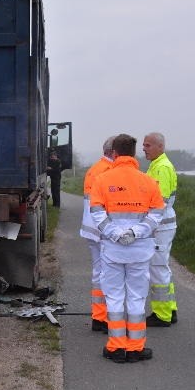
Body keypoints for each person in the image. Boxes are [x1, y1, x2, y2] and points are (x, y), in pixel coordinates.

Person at [90, 134, 164, 363]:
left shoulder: (102, 180)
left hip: (113, 249)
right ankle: (136, 347)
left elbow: (96, 213)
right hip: (140, 250)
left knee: (113, 297)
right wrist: (136, 233)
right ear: (133, 154)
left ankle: (116, 347)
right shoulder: (149, 181)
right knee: (136, 297)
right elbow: (157, 214)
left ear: (114, 153)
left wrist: (115, 233)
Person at [142, 132, 179, 327]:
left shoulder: (162, 168)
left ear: (160, 147)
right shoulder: (156, 165)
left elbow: (160, 203)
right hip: (162, 225)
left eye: (148, 145)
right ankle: (169, 309)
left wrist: (143, 221)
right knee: (161, 267)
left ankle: (162, 314)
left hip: (161, 225)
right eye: (144, 145)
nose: (144, 148)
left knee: (157, 269)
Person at [79, 136, 115, 333]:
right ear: (114, 152)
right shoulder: (109, 171)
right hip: (103, 231)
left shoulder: (95, 168)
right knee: (108, 273)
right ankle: (106, 317)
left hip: (92, 229)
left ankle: (99, 316)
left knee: (99, 272)